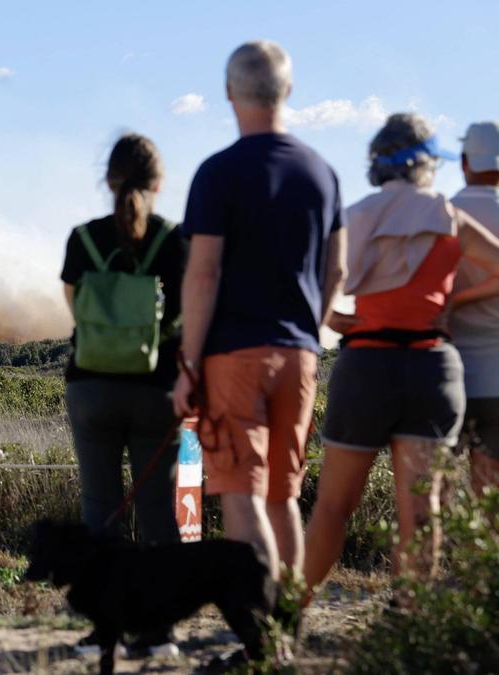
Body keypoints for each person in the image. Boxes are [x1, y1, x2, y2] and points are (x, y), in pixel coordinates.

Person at [171, 40, 345, 602]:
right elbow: (336, 269)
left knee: (240, 495)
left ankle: (262, 635)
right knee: (282, 497)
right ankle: (286, 625)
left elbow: (202, 277)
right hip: (298, 354)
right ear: (287, 91)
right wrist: (307, 334)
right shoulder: (323, 173)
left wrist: (189, 365)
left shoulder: (218, 173)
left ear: (228, 93)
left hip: (234, 355)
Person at [305, 115, 499, 598]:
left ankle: (284, 619)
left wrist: (340, 323)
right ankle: (405, 620)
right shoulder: (448, 215)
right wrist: (453, 304)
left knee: (332, 507)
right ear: (429, 162)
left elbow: (313, 286)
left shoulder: (355, 214)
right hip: (432, 366)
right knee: (421, 511)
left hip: (367, 363)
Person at [61, 133, 186, 658]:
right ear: (158, 182)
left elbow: (75, 305)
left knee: (101, 511)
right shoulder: (173, 241)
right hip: (157, 390)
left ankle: (103, 634)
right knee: (159, 511)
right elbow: (186, 314)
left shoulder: (82, 239)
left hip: (91, 387)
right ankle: (159, 635)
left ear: (108, 181)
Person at [448, 121, 499, 493]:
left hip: (447, 375)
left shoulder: (443, 215)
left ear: (464, 162)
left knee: (434, 499)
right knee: (491, 504)